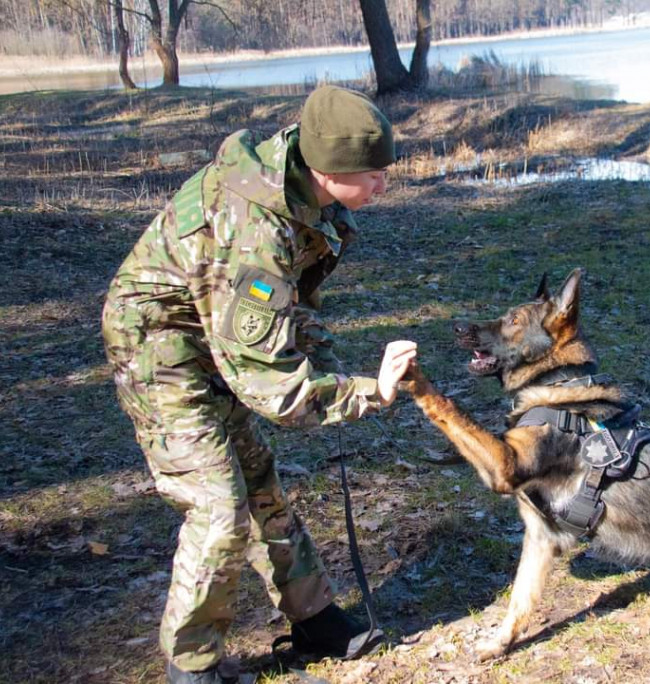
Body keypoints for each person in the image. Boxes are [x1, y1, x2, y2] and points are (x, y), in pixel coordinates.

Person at [101, 85, 417, 684]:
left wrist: (321, 354)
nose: (382, 186)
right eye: (374, 174)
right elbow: (272, 389)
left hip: (212, 330)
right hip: (159, 346)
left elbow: (284, 306)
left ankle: (315, 621)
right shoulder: (257, 229)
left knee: (256, 482)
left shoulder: (302, 193)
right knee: (218, 503)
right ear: (329, 168)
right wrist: (368, 391)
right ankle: (192, 665)